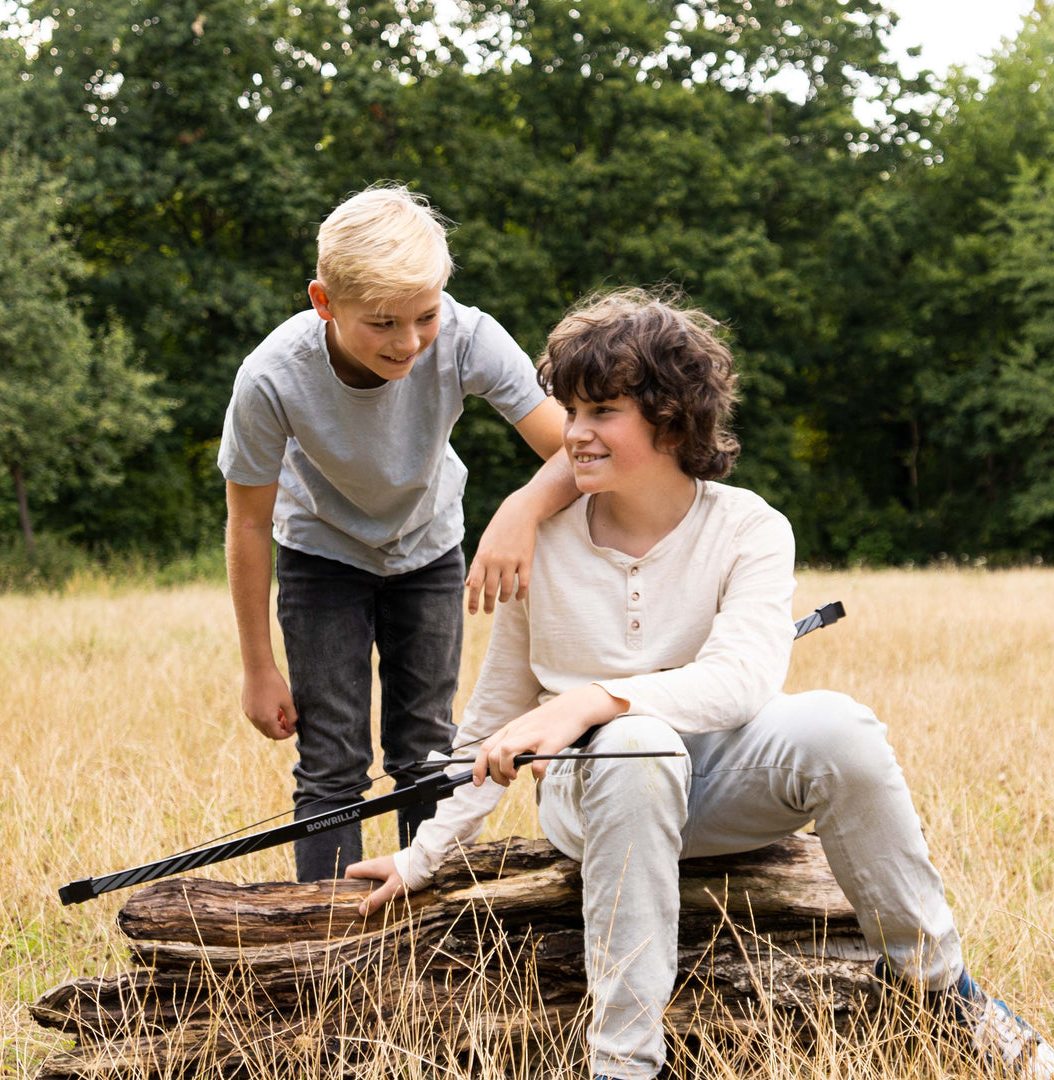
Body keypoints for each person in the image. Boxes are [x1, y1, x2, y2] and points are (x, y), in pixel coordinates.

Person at [347, 288, 1054, 1080]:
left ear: (673, 420)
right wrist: (425, 856)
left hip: (720, 785)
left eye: (601, 411)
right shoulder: (542, 540)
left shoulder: (752, 527)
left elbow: (743, 681)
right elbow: (492, 721)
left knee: (842, 726)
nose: (572, 434)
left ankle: (939, 988)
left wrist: (593, 696)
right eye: (569, 410)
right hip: (597, 792)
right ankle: (624, 1063)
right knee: (638, 745)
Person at [217, 183, 573, 881]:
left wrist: (522, 510)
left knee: (425, 748)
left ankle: (428, 924)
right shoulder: (271, 378)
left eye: (424, 317)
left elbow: (575, 450)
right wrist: (259, 668)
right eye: (381, 323)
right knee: (332, 761)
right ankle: (327, 943)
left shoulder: (467, 335)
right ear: (325, 302)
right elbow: (249, 523)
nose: (408, 341)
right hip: (320, 557)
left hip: (430, 551)